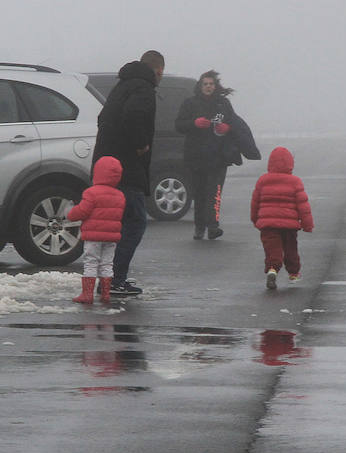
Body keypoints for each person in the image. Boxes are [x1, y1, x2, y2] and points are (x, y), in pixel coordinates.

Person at [92, 50, 164, 297]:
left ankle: (106, 278)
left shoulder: (121, 86)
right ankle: (115, 279)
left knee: (114, 225)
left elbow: (103, 118)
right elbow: (133, 115)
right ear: (158, 70)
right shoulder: (144, 89)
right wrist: (141, 143)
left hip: (106, 166)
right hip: (126, 168)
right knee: (135, 221)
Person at [174, 70, 256, 240]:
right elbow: (179, 125)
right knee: (199, 193)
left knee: (215, 192)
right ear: (200, 86)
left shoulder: (223, 103)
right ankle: (199, 227)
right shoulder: (190, 103)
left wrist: (228, 128)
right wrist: (194, 123)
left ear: (215, 86)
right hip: (196, 156)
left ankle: (213, 227)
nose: (208, 87)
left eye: (211, 84)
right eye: (205, 84)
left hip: (219, 156)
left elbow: (235, 124)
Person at [250, 146, 314, 290]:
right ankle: (294, 273)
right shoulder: (295, 181)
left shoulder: (263, 180)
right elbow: (303, 205)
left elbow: (255, 201)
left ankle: (272, 269)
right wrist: (307, 224)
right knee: (291, 248)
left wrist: (255, 219)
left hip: (268, 225)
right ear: (290, 164)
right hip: (289, 226)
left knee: (273, 249)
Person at [66, 156, 125, 304]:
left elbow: (82, 212)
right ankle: (105, 294)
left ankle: (87, 294)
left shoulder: (91, 193)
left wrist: (70, 213)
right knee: (106, 263)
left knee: (91, 262)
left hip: (93, 236)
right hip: (111, 237)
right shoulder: (120, 195)